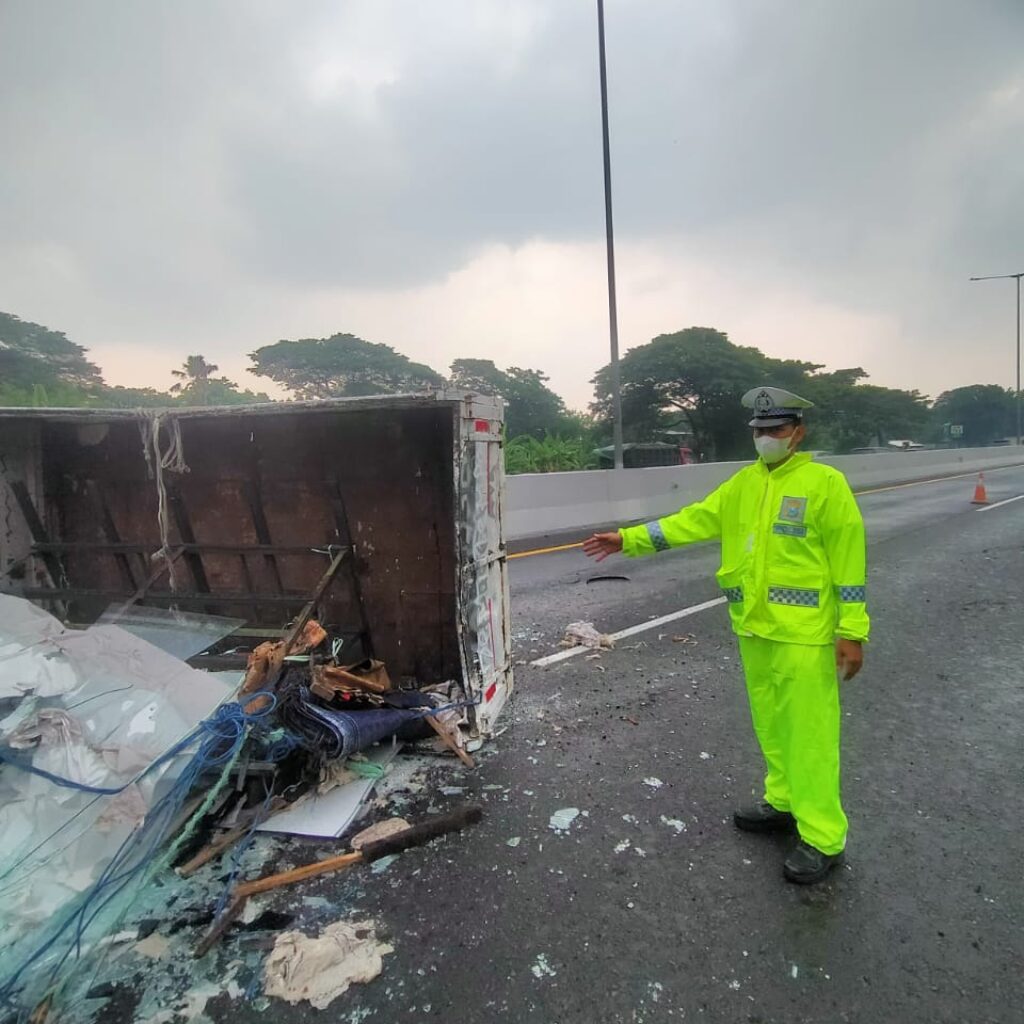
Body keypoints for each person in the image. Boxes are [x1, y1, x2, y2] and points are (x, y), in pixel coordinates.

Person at [583, 386, 869, 884]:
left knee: (810, 736)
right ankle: (783, 801)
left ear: (798, 433)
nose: (766, 437)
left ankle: (823, 836)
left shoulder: (825, 484)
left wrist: (852, 629)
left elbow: (849, 559)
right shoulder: (743, 484)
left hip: (804, 634)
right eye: (760, 430)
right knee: (771, 725)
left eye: (776, 429)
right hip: (754, 627)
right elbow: (692, 521)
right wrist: (628, 538)